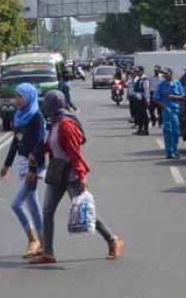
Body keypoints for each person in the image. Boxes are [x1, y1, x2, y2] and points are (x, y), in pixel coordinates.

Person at [31, 90, 124, 264]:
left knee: (86, 211)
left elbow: (75, 153)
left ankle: (112, 240)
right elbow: (50, 145)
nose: (44, 106)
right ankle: (48, 253)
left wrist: (82, 177)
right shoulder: (54, 122)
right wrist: (37, 153)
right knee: (48, 211)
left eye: (46, 103)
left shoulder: (66, 124)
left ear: (53, 105)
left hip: (72, 173)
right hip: (57, 172)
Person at [1, 83, 46, 258]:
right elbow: (15, 141)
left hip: (32, 165)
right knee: (33, 206)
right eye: (16, 96)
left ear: (29, 97)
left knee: (16, 204)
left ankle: (33, 240)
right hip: (22, 163)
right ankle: (43, 245)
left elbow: (41, 142)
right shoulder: (18, 115)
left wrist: (33, 167)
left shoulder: (37, 116)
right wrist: (7, 164)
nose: (17, 100)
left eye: (20, 97)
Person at [154, 67, 185, 159]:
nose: (164, 75)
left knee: (176, 131)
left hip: (175, 110)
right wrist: (163, 106)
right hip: (166, 110)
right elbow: (155, 98)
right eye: (163, 74)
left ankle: (175, 151)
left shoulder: (177, 83)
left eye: (166, 73)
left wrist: (173, 96)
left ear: (170, 73)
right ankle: (169, 152)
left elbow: (182, 96)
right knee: (168, 131)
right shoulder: (161, 85)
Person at [132, 66, 151, 136]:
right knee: (139, 115)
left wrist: (147, 100)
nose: (136, 72)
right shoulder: (138, 79)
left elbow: (146, 90)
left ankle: (146, 130)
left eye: (138, 71)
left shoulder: (145, 80)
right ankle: (140, 129)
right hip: (138, 100)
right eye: (136, 71)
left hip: (143, 100)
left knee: (144, 115)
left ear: (142, 71)